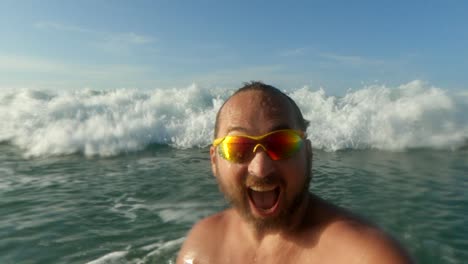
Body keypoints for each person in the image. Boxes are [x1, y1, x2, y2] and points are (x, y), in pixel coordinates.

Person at [177, 82, 412, 264]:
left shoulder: (366, 255)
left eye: (282, 143)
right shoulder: (201, 247)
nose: (261, 168)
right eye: (238, 147)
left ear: (308, 154)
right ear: (214, 161)